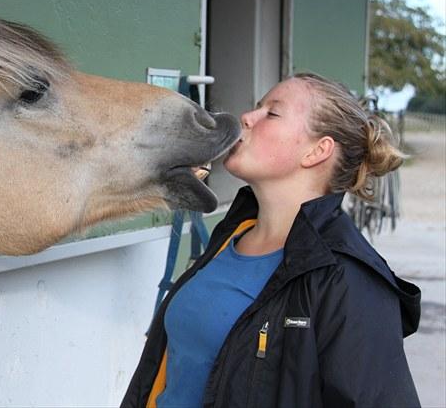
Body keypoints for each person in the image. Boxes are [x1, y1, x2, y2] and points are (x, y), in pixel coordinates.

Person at [121, 73, 421, 408]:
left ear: (317, 151)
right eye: (257, 107)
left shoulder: (348, 279)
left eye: (272, 113)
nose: (247, 117)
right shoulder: (230, 236)